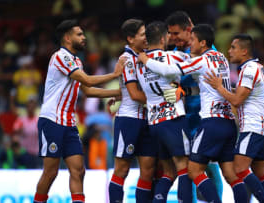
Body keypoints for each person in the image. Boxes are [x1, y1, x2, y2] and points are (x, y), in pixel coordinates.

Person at [139, 24, 247, 203]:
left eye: (193, 40)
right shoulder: (221, 58)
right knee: (231, 174)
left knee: (193, 170)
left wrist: (144, 58)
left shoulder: (200, 60)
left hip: (210, 122)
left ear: (202, 43)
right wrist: (186, 92)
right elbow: (206, 88)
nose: (190, 44)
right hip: (228, 122)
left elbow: (168, 70)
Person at [33, 19, 124, 203]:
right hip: (52, 121)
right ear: (67, 38)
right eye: (79, 34)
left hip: (68, 123)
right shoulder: (60, 56)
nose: (84, 38)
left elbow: (87, 91)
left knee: (79, 170)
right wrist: (115, 75)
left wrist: (120, 93)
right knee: (50, 173)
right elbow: (88, 81)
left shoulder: (75, 61)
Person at [204, 34, 264, 202]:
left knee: (239, 169)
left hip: (252, 126)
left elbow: (237, 100)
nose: (229, 51)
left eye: (233, 47)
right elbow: (246, 95)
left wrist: (219, 87)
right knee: (260, 172)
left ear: (244, 51)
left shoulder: (249, 70)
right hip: (262, 126)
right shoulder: (257, 67)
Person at [165, 10, 224, 202]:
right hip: (184, 118)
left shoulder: (203, 49)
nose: (172, 38)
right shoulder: (173, 54)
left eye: (176, 34)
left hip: (204, 116)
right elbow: (172, 86)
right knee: (188, 166)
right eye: (170, 34)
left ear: (189, 31)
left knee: (208, 164)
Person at [136, 21, 192, 203]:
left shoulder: (138, 64)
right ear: (162, 38)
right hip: (173, 118)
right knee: (184, 167)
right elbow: (197, 62)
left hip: (154, 122)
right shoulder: (173, 57)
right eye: (168, 35)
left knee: (169, 171)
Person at [108, 19, 157, 203]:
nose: (147, 38)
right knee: (122, 170)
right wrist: (160, 101)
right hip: (128, 120)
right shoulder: (126, 59)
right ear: (130, 38)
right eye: (143, 34)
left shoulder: (146, 56)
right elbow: (135, 95)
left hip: (147, 119)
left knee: (148, 169)